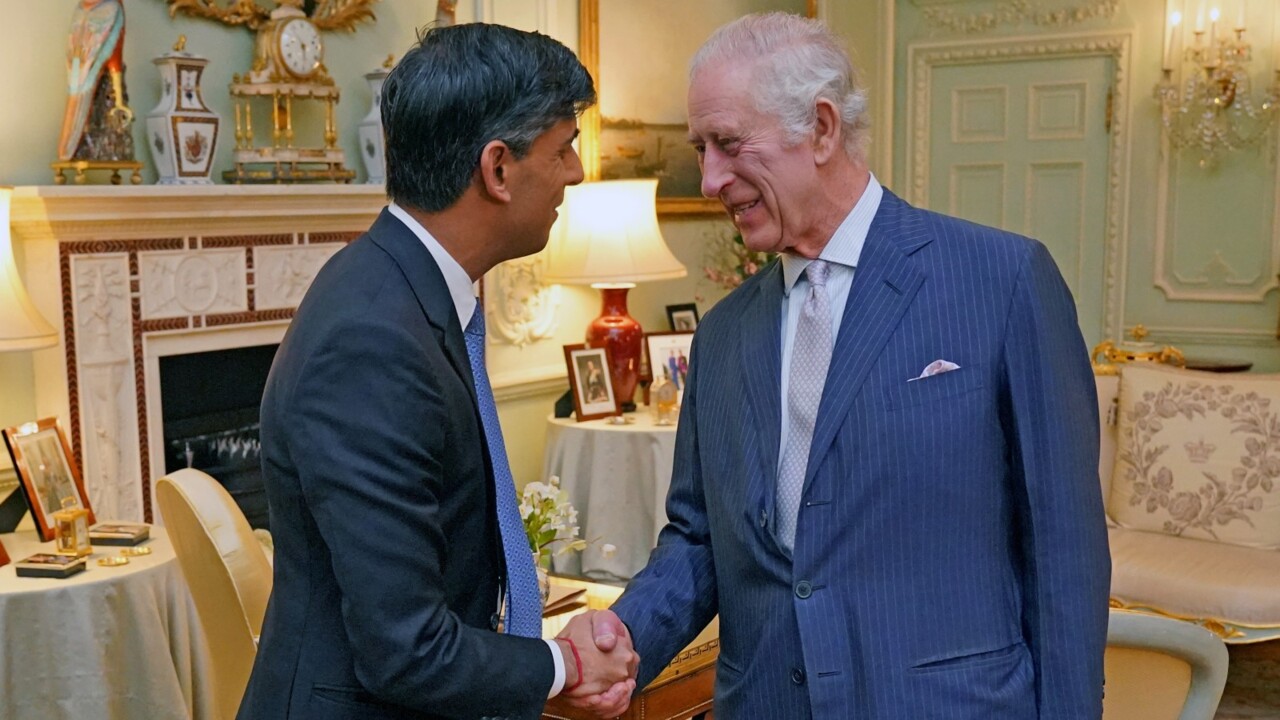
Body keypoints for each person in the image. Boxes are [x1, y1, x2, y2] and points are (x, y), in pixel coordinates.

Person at [567, 12, 1109, 719]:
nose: (709, 180)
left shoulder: (1001, 281)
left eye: (728, 145)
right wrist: (623, 639)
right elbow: (701, 537)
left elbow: (1063, 550)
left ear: (821, 128)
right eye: (700, 148)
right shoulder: (725, 333)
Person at [239, 24, 636, 720]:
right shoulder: (371, 339)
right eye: (563, 148)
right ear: (498, 168)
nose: (575, 172)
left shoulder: (404, 289)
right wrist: (561, 665)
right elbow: (406, 650)